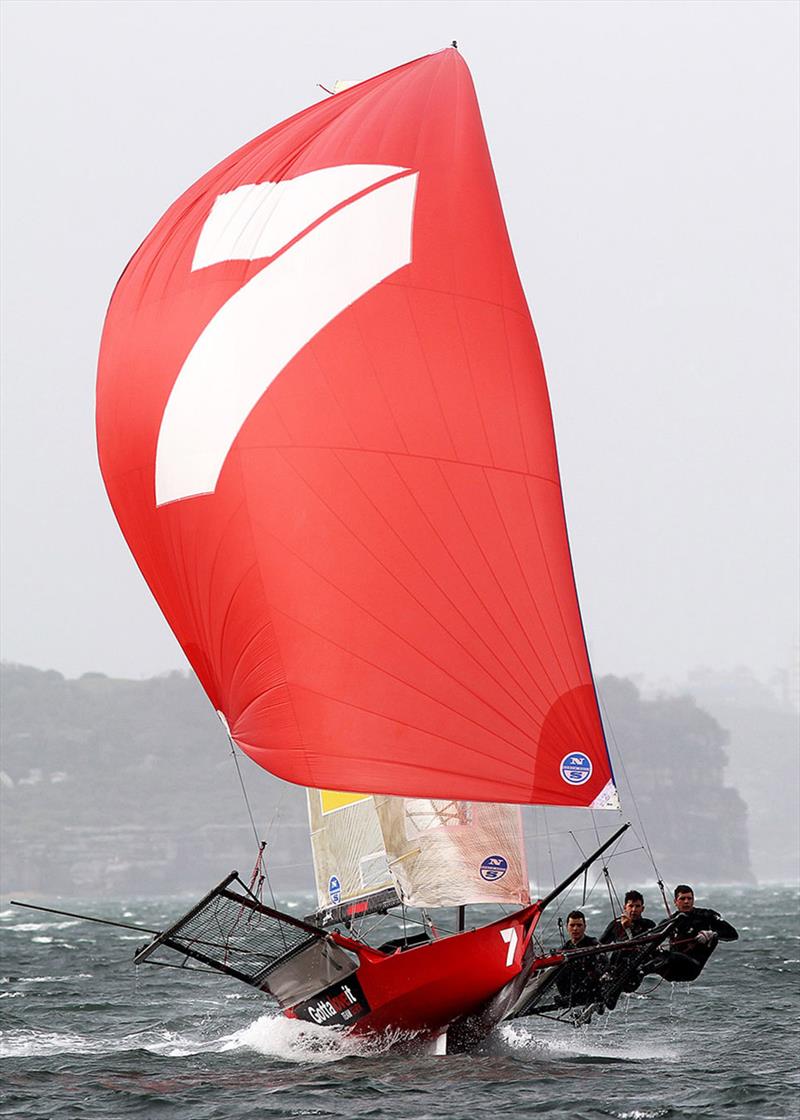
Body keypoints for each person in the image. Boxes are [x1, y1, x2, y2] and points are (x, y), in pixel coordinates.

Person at [642, 884, 738, 983]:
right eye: (682, 899)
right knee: (649, 953)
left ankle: (642, 971)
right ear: (675, 902)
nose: (686, 901)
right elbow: (652, 937)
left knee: (669, 956)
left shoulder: (706, 916)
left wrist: (713, 934)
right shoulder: (671, 921)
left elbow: (733, 934)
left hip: (691, 968)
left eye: (689, 898)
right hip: (671, 969)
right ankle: (632, 977)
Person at [597, 890, 657, 1008]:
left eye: (637, 906)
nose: (634, 910)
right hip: (614, 971)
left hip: (634, 972)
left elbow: (647, 950)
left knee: (625, 949)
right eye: (631, 906)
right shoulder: (615, 924)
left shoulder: (649, 925)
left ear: (643, 908)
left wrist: (628, 928)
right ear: (625, 907)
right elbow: (599, 946)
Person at [555, 910, 603, 1007]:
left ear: (585, 927)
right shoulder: (564, 949)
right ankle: (568, 998)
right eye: (572, 925)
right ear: (567, 927)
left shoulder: (593, 943)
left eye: (579, 925)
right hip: (571, 991)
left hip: (591, 989)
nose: (575, 929)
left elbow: (603, 965)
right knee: (557, 970)